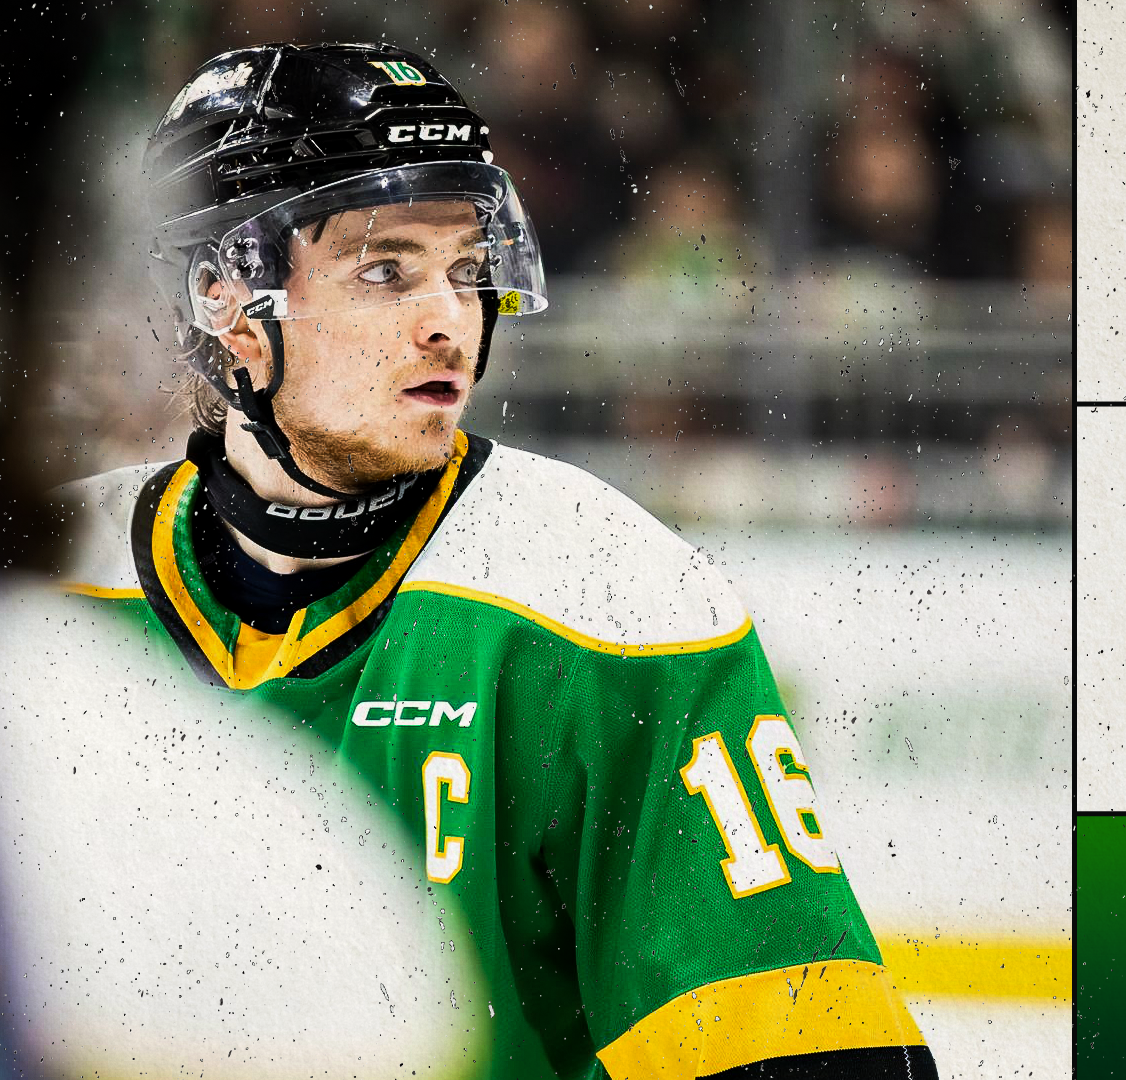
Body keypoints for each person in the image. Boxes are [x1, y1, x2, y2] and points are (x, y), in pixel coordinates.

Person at [57, 42, 936, 1080]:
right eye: (386, 271)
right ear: (226, 300)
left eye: (469, 271)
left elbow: (809, 1051)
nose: (449, 322)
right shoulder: (50, 593)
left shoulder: (604, 595)